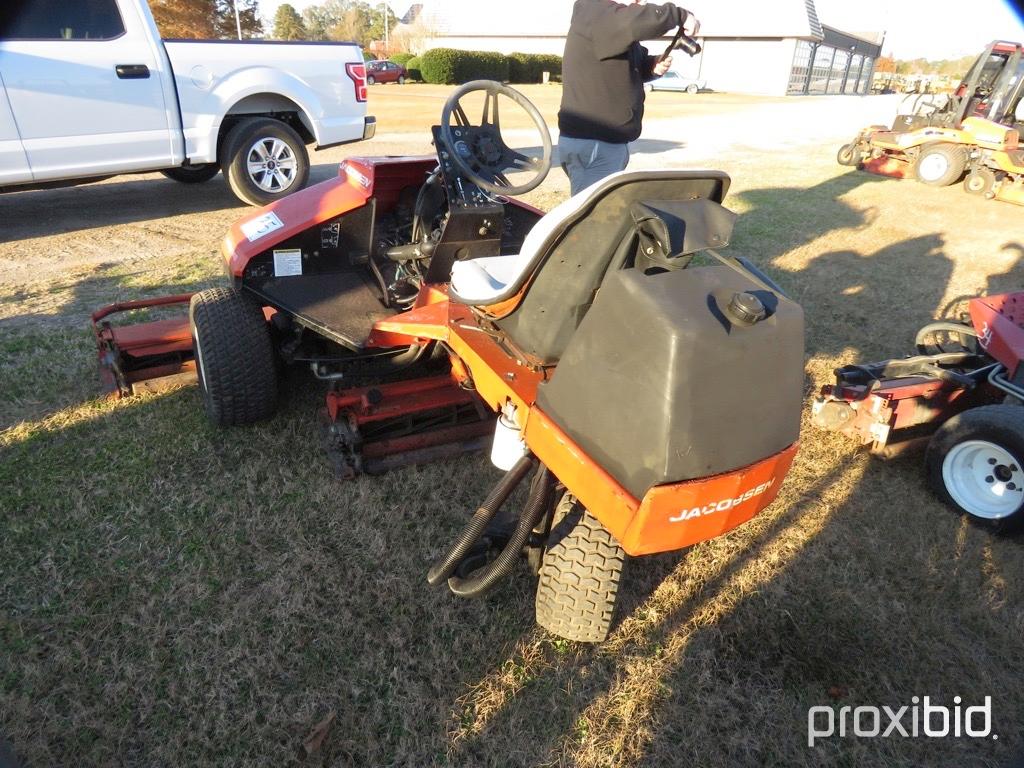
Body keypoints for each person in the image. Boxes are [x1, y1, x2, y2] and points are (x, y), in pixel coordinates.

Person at [558, 0, 693, 196]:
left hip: (601, 143)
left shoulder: (606, 23)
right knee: (593, 219)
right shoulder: (594, 9)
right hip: (595, 144)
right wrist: (680, 15)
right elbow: (638, 22)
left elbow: (622, 66)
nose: (642, 3)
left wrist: (651, 66)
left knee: (593, 212)